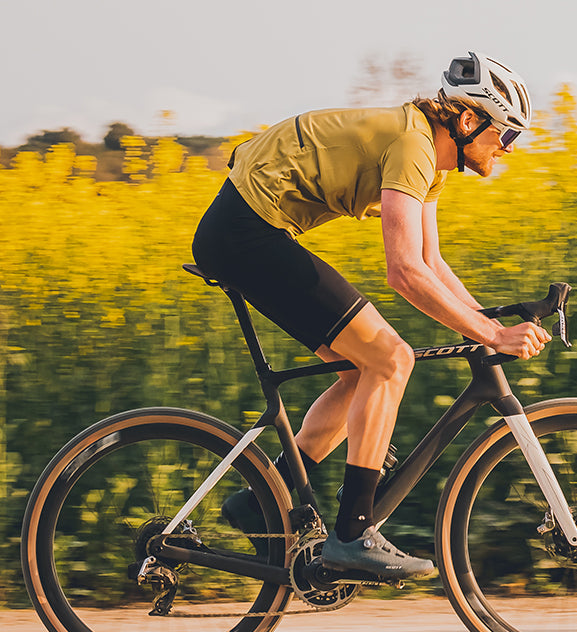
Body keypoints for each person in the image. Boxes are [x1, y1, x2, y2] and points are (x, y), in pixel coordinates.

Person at [192, 51, 552, 580]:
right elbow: (404, 272)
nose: (510, 148)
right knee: (390, 359)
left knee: (363, 371)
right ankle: (353, 534)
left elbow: (431, 262)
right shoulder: (413, 146)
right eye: (508, 133)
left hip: (247, 232)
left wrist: (487, 323)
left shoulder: (428, 154)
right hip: (244, 234)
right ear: (468, 120)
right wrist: (491, 334)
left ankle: (261, 501)